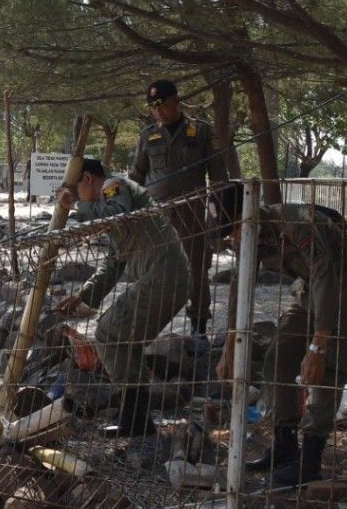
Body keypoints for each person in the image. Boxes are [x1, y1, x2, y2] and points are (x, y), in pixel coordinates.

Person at [224, 199, 347, 488]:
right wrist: (230, 343)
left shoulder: (297, 222)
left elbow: (324, 275)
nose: (232, 238)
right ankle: (285, 446)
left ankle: (310, 461)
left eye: (232, 230)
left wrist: (318, 345)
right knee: (278, 357)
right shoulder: (253, 234)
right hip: (310, 292)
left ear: (248, 218)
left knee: (326, 370)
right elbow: (239, 284)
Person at [56, 159, 188, 436]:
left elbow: (114, 215)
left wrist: (74, 207)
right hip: (164, 275)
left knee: (107, 332)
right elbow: (114, 262)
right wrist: (84, 294)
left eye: (77, 189)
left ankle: (135, 417)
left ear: (88, 178)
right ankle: (136, 421)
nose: (78, 195)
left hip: (163, 273)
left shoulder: (114, 186)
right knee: (127, 341)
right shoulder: (114, 200)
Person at [129, 79, 228, 335]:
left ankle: (198, 327)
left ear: (176, 101)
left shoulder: (201, 131)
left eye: (162, 104)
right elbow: (136, 177)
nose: (158, 111)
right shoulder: (148, 136)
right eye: (153, 107)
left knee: (196, 267)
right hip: (156, 216)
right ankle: (147, 327)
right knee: (153, 270)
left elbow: (218, 178)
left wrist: (220, 218)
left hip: (192, 214)